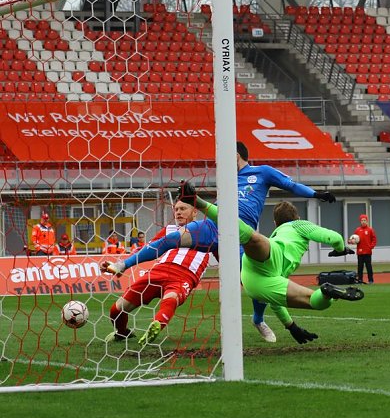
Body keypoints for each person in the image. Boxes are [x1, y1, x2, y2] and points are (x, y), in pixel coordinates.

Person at [101, 142, 337, 344]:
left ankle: (258, 319)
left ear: (235, 155)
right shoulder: (227, 179)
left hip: (239, 236)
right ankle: (124, 265)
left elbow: (291, 186)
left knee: (254, 281)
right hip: (214, 227)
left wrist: (317, 195)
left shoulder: (262, 172)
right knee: (172, 238)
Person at [174, 182, 363, 345]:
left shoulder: (275, 234)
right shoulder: (299, 224)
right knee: (318, 303)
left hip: (255, 282)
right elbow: (334, 237)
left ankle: (325, 290)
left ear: (274, 222)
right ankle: (197, 201)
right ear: (296, 217)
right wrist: (340, 249)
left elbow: (275, 302)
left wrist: (292, 327)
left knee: (251, 238)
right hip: (270, 267)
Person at [108, 200, 212, 346]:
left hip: (185, 275)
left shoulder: (208, 230)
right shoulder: (169, 229)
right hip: (158, 271)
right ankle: (122, 333)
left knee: (171, 298)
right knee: (116, 310)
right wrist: (121, 265)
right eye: (176, 209)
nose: (178, 212)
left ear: (195, 212)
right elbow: (149, 249)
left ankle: (157, 324)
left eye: (183, 208)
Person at [352, 213, 377, 284]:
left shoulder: (370, 230)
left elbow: (374, 239)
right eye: (362, 220)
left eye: (364, 220)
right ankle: (360, 280)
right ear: (360, 221)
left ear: (367, 221)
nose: (363, 221)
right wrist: (351, 241)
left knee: (369, 267)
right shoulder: (357, 230)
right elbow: (353, 239)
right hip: (360, 252)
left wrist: (371, 247)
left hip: (368, 252)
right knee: (360, 267)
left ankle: (371, 280)